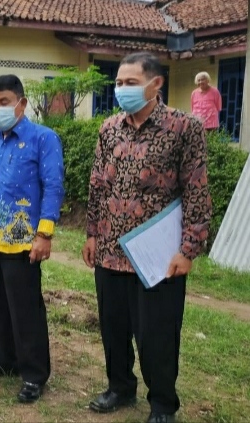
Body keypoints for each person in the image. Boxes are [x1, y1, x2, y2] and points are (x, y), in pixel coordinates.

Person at [83, 52, 211, 423]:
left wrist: (188, 249)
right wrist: (91, 233)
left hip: (157, 255)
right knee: (113, 326)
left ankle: (162, 403)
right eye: (119, 83)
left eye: (131, 83)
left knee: (157, 332)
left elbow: (197, 193)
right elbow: (97, 184)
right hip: (109, 248)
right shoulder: (109, 129)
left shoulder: (184, 128)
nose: (122, 89)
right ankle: (120, 387)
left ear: (157, 84)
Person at [0, 74, 64, 403]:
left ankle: (34, 374)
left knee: (25, 310)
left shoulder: (43, 138)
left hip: (23, 240)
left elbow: (52, 186)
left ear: (21, 102)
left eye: (4, 102)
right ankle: (4, 359)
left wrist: (44, 234)